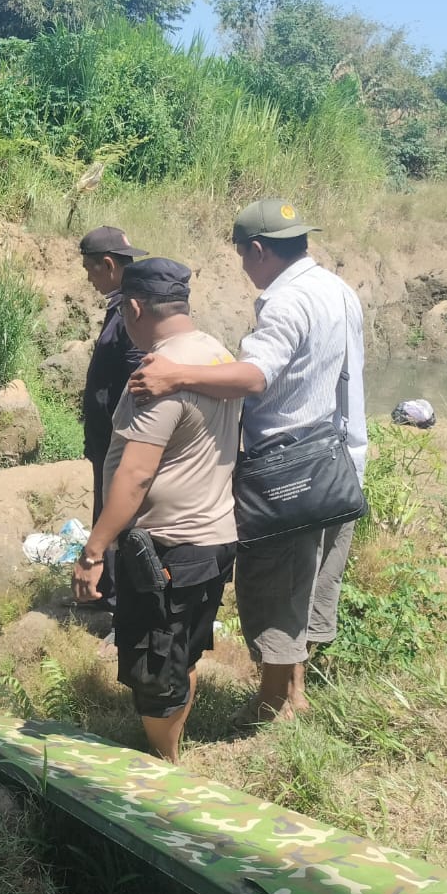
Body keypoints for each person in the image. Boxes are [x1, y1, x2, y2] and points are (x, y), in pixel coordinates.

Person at [129, 199, 366, 723]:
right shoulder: (337, 289)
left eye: (242, 256)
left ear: (257, 251)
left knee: (275, 584)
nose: (243, 268)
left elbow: (256, 376)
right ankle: (295, 696)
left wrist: (177, 376)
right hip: (337, 462)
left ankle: (270, 706)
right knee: (308, 583)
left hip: (288, 472)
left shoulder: (285, 301)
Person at [73, 258, 240, 763]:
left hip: (168, 546)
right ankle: (172, 745)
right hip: (213, 536)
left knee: (155, 668)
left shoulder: (158, 376)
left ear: (135, 307)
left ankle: (164, 766)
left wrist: (93, 550)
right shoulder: (216, 355)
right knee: (181, 651)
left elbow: (135, 474)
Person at [79, 226, 149, 611]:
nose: (89, 279)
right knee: (105, 507)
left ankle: (119, 603)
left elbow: (137, 376)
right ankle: (102, 590)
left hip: (120, 439)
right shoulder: (122, 308)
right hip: (108, 438)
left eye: (90, 270)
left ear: (108, 265)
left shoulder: (131, 313)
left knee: (119, 514)